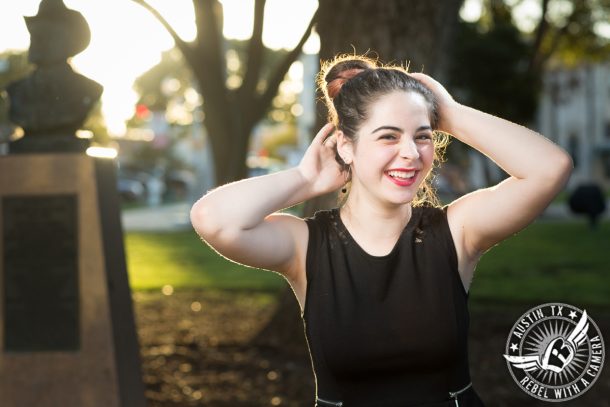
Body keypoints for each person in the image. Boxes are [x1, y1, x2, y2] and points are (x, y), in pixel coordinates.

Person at [190, 54, 572, 406]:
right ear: (347, 145)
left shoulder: (456, 232)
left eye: (422, 135)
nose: (411, 152)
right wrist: (305, 179)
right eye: (389, 136)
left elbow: (549, 168)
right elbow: (213, 218)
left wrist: (449, 114)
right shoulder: (306, 246)